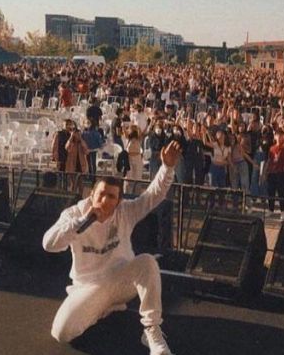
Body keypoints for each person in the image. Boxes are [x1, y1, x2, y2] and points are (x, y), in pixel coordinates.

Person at [43, 141, 181, 355]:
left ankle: (152, 331)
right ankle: (102, 308)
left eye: (112, 197)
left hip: (122, 282)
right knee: (61, 333)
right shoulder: (74, 215)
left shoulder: (125, 212)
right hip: (90, 287)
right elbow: (49, 244)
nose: (105, 200)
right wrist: (82, 223)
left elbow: (152, 196)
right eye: (101, 194)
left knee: (147, 262)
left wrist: (167, 168)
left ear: (118, 202)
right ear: (91, 194)